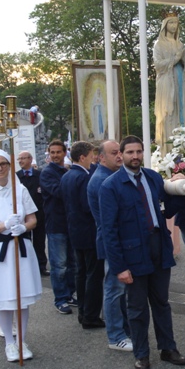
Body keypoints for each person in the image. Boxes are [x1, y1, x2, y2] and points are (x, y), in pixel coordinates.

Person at [99, 135, 185, 369]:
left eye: (139, 152)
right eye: (130, 152)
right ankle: (141, 354)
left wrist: (180, 188)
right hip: (132, 253)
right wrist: (119, 267)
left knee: (161, 303)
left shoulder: (152, 177)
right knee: (137, 308)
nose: (135, 156)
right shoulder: (110, 186)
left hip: (158, 247)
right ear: (121, 155)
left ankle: (168, 348)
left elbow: (168, 209)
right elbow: (109, 231)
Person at [0, 149, 42, 362]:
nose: (0, 168)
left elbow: (33, 219)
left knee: (22, 298)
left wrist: (23, 227)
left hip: (20, 249)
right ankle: (10, 343)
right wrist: (3, 225)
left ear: (10, 166)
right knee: (4, 297)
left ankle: (21, 340)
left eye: (3, 163)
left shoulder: (20, 191)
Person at [87, 140, 133, 352]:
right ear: (101, 157)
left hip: (116, 241)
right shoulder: (102, 181)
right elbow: (110, 222)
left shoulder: (109, 176)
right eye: (114, 153)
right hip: (112, 243)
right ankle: (116, 336)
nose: (119, 156)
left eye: (119, 152)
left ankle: (124, 331)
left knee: (119, 290)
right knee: (114, 290)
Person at [60, 141, 105, 329]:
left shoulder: (67, 176)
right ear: (82, 157)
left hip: (75, 230)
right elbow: (88, 207)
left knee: (81, 273)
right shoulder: (84, 177)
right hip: (88, 231)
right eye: (91, 156)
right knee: (93, 274)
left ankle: (83, 311)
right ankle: (91, 315)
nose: (93, 159)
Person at [40, 140, 77, 314]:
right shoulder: (47, 173)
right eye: (52, 152)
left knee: (72, 263)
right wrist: (73, 182)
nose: (55, 155)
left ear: (64, 153)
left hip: (70, 224)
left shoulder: (66, 171)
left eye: (58, 152)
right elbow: (59, 192)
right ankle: (60, 298)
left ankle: (69, 294)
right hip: (56, 225)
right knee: (59, 265)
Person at [153, 14, 185, 152]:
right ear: (165, 25)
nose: (173, 26)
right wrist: (175, 59)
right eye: (170, 23)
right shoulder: (159, 44)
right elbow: (158, 65)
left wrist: (183, 59)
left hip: (181, 80)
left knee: (183, 109)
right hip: (167, 83)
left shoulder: (180, 44)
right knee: (168, 113)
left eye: (176, 23)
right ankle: (169, 150)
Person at [16, 151, 49, 277]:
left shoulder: (39, 175)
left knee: (39, 242)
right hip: (24, 216)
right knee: (25, 241)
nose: (20, 161)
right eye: (19, 159)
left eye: (23, 158)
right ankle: (27, 266)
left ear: (30, 159)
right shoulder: (16, 177)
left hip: (39, 214)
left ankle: (41, 266)